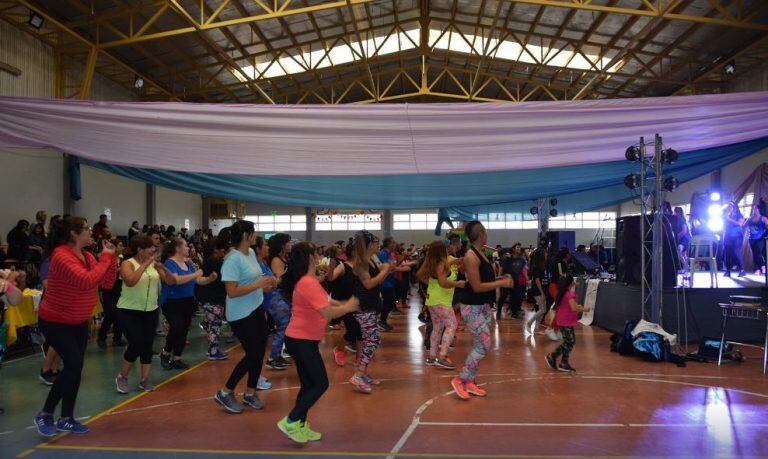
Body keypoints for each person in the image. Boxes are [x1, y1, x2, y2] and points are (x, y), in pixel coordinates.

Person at [34, 217, 118, 437]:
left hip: (77, 320)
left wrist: (112, 260)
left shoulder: (88, 256)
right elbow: (86, 281)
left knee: (75, 368)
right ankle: (45, 414)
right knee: (73, 363)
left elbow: (106, 283)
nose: (91, 232)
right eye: (87, 229)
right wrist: (105, 259)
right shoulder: (61, 256)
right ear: (74, 233)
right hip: (55, 320)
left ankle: (66, 418)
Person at [276, 242, 359, 443]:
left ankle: (300, 426)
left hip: (305, 339)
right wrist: (347, 307)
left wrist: (341, 303)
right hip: (300, 340)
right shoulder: (307, 282)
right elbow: (327, 312)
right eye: (316, 255)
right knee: (320, 383)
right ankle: (292, 420)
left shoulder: (309, 281)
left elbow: (325, 302)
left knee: (308, 384)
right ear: (312, 258)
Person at [214, 220, 277, 413]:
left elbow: (254, 280)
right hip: (240, 314)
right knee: (253, 353)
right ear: (246, 236)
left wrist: (266, 284)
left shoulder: (250, 253)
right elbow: (232, 291)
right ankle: (225, 392)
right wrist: (258, 285)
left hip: (256, 308)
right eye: (254, 233)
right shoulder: (232, 259)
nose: (256, 236)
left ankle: (250, 393)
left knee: (260, 351)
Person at [451, 221, 513, 401]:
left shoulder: (482, 253)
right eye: (485, 231)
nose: (487, 233)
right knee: (483, 345)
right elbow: (476, 286)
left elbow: (485, 278)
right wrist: (501, 283)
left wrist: (501, 277)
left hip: (483, 306)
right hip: (472, 306)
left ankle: (470, 381)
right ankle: (460, 379)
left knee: (482, 345)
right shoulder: (471, 256)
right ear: (481, 234)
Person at [114, 235, 171, 394]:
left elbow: (168, 281)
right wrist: (146, 264)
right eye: (150, 248)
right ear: (140, 250)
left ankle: (144, 379)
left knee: (147, 345)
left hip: (150, 310)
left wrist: (162, 268)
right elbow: (130, 281)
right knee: (136, 343)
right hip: (129, 311)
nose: (153, 250)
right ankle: (122, 376)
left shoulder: (153, 264)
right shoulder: (127, 263)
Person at [159, 238, 216, 370]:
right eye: (185, 246)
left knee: (184, 330)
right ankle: (166, 352)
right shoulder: (170, 263)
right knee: (177, 327)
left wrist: (209, 279)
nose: (188, 248)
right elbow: (175, 280)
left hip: (187, 301)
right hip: (172, 302)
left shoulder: (187, 264)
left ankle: (177, 358)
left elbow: (197, 280)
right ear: (178, 248)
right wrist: (196, 274)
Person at [349, 231, 391, 394]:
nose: (377, 244)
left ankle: (363, 373)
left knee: (369, 341)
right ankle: (358, 375)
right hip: (363, 308)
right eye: (374, 241)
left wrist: (388, 268)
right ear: (368, 244)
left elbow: (381, 271)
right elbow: (369, 284)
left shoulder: (371, 259)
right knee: (373, 341)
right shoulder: (361, 264)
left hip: (371, 306)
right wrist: (385, 271)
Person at [417, 240, 465, 369]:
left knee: (437, 327)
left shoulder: (432, 263)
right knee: (452, 324)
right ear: (442, 250)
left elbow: (420, 275)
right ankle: (442, 356)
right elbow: (443, 283)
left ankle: (432, 357)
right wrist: (458, 284)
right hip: (441, 300)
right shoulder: (441, 264)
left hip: (432, 300)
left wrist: (432, 285)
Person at [545, 275, 591, 373]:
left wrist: (577, 306)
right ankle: (556, 359)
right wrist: (584, 309)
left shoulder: (562, 293)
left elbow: (569, 306)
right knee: (570, 341)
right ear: (571, 283)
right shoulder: (570, 294)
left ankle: (560, 360)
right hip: (566, 321)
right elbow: (574, 308)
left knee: (569, 341)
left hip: (563, 320)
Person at [327, 244, 361, 366]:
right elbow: (330, 278)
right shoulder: (342, 266)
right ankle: (339, 349)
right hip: (344, 303)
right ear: (353, 253)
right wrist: (331, 268)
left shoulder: (360, 267)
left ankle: (359, 357)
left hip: (357, 301)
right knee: (353, 329)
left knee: (359, 330)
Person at [199, 234, 231, 361]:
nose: (223, 251)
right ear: (215, 249)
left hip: (210, 297)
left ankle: (213, 350)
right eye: (221, 248)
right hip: (212, 298)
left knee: (214, 324)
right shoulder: (214, 261)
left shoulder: (210, 260)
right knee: (215, 326)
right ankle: (213, 351)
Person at [265, 233, 293, 370]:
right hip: (276, 296)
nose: (291, 244)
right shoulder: (276, 260)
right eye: (289, 242)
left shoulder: (285, 258)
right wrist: (291, 272)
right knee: (284, 325)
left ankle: (278, 354)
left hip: (284, 295)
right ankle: (273, 357)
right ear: (282, 245)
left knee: (286, 325)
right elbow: (279, 280)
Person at [97, 239, 126, 349]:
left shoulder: (121, 258)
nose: (122, 247)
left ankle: (117, 338)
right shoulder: (107, 258)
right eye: (120, 245)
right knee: (110, 314)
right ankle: (101, 337)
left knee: (119, 314)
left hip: (119, 288)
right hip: (108, 289)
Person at [525, 248, 550, 335]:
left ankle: (536, 328)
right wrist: (542, 293)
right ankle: (529, 323)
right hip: (537, 290)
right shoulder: (536, 267)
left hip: (543, 290)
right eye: (545, 253)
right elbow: (537, 280)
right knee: (543, 309)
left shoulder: (543, 265)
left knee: (542, 309)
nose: (547, 255)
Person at [723, 202, 746, 277]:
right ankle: (728, 271)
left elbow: (740, 224)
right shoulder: (726, 216)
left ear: (734, 207)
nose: (729, 207)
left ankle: (742, 270)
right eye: (728, 206)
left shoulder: (739, 215)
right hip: (727, 236)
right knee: (727, 254)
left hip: (737, 236)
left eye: (730, 206)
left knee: (736, 252)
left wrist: (729, 219)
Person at [746, 206, 768, 274]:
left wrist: (765, 227)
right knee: (754, 254)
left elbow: (767, 226)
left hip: (760, 238)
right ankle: (758, 269)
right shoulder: (750, 218)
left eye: (755, 208)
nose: (753, 210)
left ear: (758, 210)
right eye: (753, 209)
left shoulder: (763, 218)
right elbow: (744, 225)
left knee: (758, 253)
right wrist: (747, 219)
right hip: (751, 238)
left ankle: (763, 266)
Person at [673, 207, 691, 271]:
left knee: (679, 252)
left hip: (685, 240)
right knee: (683, 254)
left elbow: (684, 231)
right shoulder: (678, 220)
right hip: (683, 240)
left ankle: (686, 266)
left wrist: (676, 236)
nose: (674, 213)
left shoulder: (682, 220)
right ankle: (686, 268)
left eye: (675, 212)